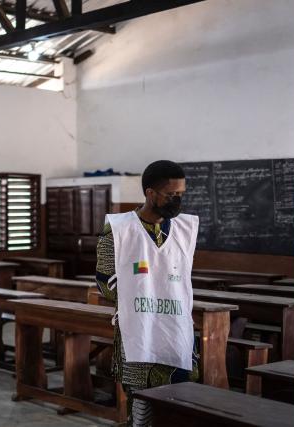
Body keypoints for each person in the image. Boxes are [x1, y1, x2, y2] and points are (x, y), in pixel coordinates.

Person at [96, 160, 200, 426]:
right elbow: (104, 283)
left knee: (180, 407)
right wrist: (142, 289)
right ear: (150, 193)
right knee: (142, 410)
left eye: (180, 195)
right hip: (138, 331)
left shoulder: (184, 229)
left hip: (175, 329)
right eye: (170, 195)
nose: (177, 200)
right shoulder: (119, 230)